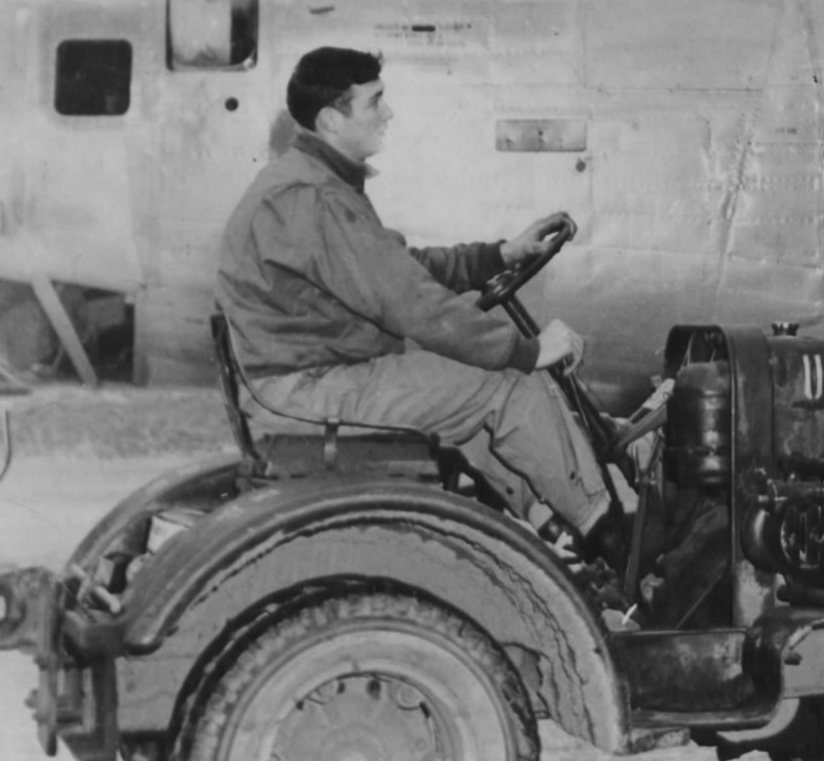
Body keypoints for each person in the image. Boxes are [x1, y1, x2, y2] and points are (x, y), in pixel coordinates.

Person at [216, 46, 613, 546]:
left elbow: (396, 269)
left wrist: (497, 256)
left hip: (306, 379)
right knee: (509, 382)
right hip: (304, 391)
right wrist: (527, 351)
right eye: (374, 102)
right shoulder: (312, 197)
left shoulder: (313, 182)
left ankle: (552, 527)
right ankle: (609, 531)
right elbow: (408, 300)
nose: (388, 113)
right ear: (332, 120)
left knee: (473, 382)